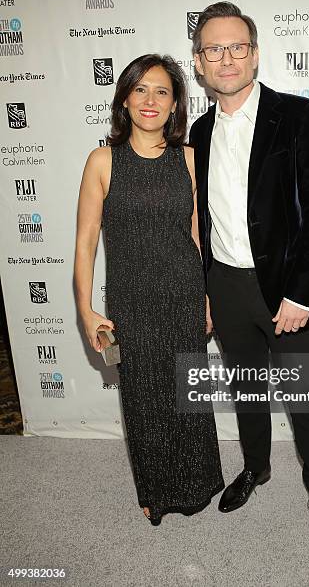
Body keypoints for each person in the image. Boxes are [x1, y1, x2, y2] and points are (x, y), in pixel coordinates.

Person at [189, 2, 309, 550]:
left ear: (254, 54)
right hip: (226, 286)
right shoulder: (199, 132)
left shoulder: (298, 115)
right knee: (247, 390)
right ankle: (256, 467)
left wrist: (303, 292)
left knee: (304, 400)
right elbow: (201, 218)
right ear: (199, 63)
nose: (226, 58)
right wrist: (206, 288)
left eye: (237, 47)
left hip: (287, 290)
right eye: (213, 49)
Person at [74, 54, 224, 526]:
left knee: (187, 394)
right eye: (140, 89)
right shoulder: (102, 160)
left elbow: (200, 236)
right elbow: (85, 242)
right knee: (142, 400)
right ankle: (155, 492)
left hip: (183, 293)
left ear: (176, 102)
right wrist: (86, 311)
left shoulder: (190, 159)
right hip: (130, 302)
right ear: (124, 98)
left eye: (162, 91)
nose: (150, 100)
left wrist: (206, 297)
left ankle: (199, 482)